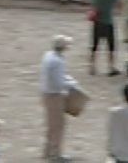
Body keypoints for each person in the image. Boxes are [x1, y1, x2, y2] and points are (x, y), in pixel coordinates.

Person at [39, 34, 80, 162]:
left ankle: (48, 151)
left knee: (51, 125)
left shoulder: (48, 56)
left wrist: (69, 80)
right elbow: (59, 82)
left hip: (47, 93)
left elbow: (60, 77)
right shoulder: (57, 61)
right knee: (58, 126)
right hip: (54, 95)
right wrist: (72, 84)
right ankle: (55, 154)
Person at [87, 0, 120, 75]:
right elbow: (117, 1)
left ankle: (92, 67)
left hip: (97, 20)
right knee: (111, 45)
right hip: (108, 21)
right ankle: (111, 67)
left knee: (94, 44)